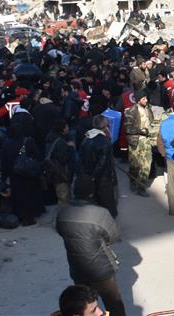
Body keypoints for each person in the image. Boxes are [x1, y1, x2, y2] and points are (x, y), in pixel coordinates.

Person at [55, 179, 125, 316]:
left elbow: (60, 231)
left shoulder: (62, 213)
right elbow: (114, 236)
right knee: (113, 303)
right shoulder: (100, 213)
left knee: (84, 308)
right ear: (92, 193)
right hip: (101, 269)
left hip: (77, 268)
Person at [77, 115, 118, 217]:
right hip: (103, 178)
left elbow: (80, 158)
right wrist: (94, 177)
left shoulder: (86, 138)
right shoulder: (104, 142)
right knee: (107, 202)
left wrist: (87, 176)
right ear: (105, 126)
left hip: (88, 174)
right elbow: (102, 163)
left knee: (94, 200)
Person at [124, 90, 154, 197]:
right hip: (135, 142)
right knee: (135, 165)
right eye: (143, 99)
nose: (146, 100)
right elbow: (127, 129)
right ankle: (133, 182)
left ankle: (141, 187)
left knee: (147, 164)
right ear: (138, 100)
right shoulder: (130, 111)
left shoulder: (148, 109)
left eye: (146, 98)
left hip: (146, 141)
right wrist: (141, 131)